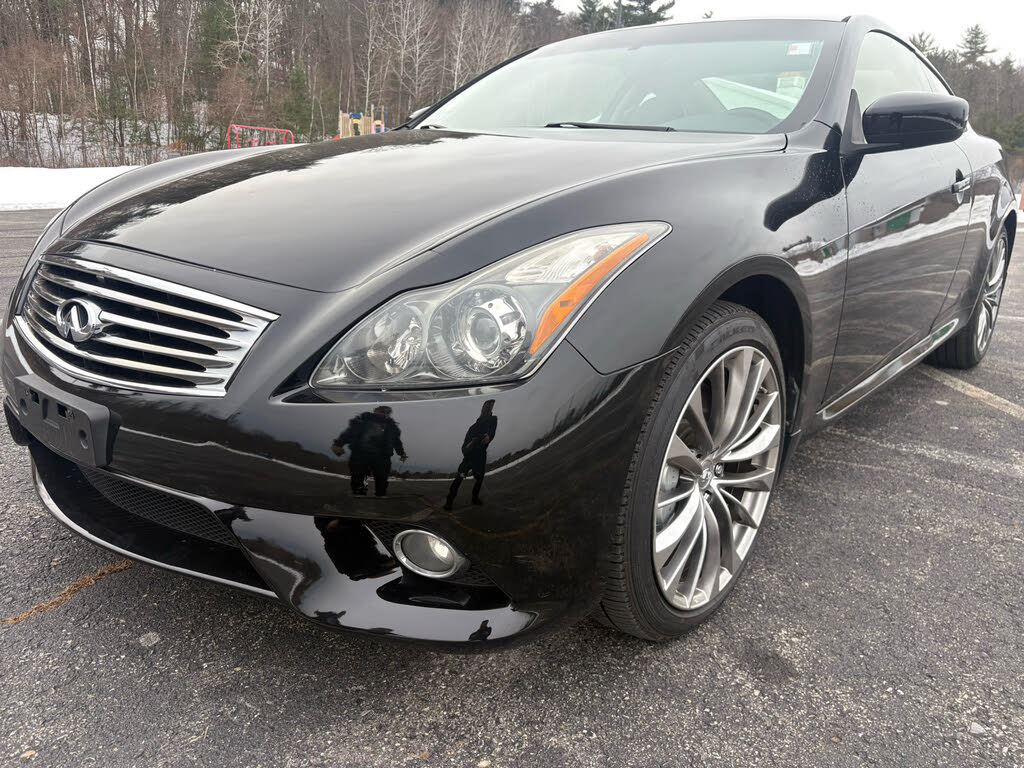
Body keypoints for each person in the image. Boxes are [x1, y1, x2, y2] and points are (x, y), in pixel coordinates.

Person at [332, 406, 407, 497]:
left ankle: (380, 494)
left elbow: (396, 442)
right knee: (358, 475)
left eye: (388, 412)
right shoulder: (362, 420)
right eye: (382, 411)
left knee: (382, 477)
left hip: (382, 456)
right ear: (375, 411)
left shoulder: (392, 426)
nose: (385, 413)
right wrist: (338, 444)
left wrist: (402, 454)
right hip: (360, 453)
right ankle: (359, 493)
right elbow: (349, 433)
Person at [445, 400, 497, 510]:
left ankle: (475, 498)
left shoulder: (493, 420)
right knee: (459, 478)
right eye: (486, 408)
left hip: (481, 456)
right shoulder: (472, 428)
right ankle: (449, 502)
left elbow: (492, 432)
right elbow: (464, 447)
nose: (488, 410)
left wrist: (489, 437)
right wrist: (471, 443)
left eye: (490, 408)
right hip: (469, 457)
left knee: (479, 478)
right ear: (482, 410)